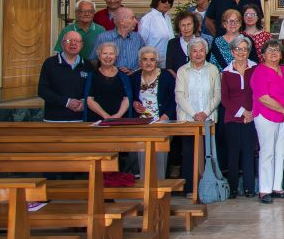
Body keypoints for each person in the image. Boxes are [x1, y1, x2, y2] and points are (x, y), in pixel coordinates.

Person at [175, 38, 221, 197]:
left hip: (208, 119)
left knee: (208, 153)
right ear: (189, 53)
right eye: (194, 51)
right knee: (189, 154)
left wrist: (205, 113)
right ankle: (190, 188)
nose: (198, 54)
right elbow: (179, 96)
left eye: (201, 50)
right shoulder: (182, 70)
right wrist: (195, 114)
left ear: (206, 51)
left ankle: (208, 188)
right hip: (188, 119)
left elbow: (217, 94)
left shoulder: (213, 69)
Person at [252, 39, 284, 202]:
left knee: (282, 152)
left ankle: (277, 187)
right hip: (266, 115)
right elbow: (263, 97)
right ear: (263, 55)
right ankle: (265, 190)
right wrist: (283, 110)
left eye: (277, 50)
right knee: (268, 151)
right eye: (269, 50)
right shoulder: (259, 71)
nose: (273, 53)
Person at [219, 35, 258, 200]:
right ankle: (233, 188)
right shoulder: (226, 72)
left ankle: (249, 188)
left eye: (245, 49)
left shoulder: (255, 68)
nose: (242, 52)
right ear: (232, 51)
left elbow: (259, 92)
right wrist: (242, 112)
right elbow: (225, 98)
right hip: (233, 118)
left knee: (249, 153)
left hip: (253, 116)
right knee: (233, 154)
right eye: (238, 49)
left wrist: (251, 112)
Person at [130, 46, 176, 178]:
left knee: (159, 152)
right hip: (141, 122)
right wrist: (134, 103)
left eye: (152, 59)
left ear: (157, 61)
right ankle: (143, 182)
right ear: (140, 62)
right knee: (140, 153)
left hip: (162, 120)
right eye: (145, 60)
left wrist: (166, 115)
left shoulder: (166, 76)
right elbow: (131, 97)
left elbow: (174, 99)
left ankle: (159, 183)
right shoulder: (134, 77)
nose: (148, 63)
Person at [39, 31, 93, 122]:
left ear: (82, 45)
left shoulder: (87, 65)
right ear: (62, 44)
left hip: (80, 119)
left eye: (77, 41)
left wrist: (84, 102)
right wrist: (66, 102)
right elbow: (42, 90)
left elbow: (92, 90)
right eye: (69, 40)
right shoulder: (50, 63)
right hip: (54, 119)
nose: (73, 43)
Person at [84, 42, 132, 121]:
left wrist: (117, 116)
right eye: (105, 53)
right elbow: (89, 100)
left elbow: (127, 99)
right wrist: (106, 116)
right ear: (99, 57)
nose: (108, 56)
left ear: (116, 57)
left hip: (120, 121)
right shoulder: (92, 75)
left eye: (111, 54)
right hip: (97, 121)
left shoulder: (123, 76)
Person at [92, 7, 144, 73]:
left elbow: (145, 59)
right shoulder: (103, 37)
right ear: (122, 21)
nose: (136, 21)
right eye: (132, 18)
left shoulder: (138, 38)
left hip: (133, 78)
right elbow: (93, 60)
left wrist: (134, 71)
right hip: (111, 79)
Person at [139, 0, 176, 67]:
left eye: (169, 1)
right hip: (151, 62)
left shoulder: (167, 18)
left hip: (167, 62)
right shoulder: (148, 19)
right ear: (156, 1)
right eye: (163, 1)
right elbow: (141, 42)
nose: (167, 3)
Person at [166, 11, 209, 75]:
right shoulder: (172, 43)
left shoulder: (202, 42)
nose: (186, 28)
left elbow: (207, 64)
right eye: (183, 25)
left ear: (194, 25)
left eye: (189, 24)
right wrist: (179, 80)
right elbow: (169, 67)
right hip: (177, 82)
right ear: (179, 27)